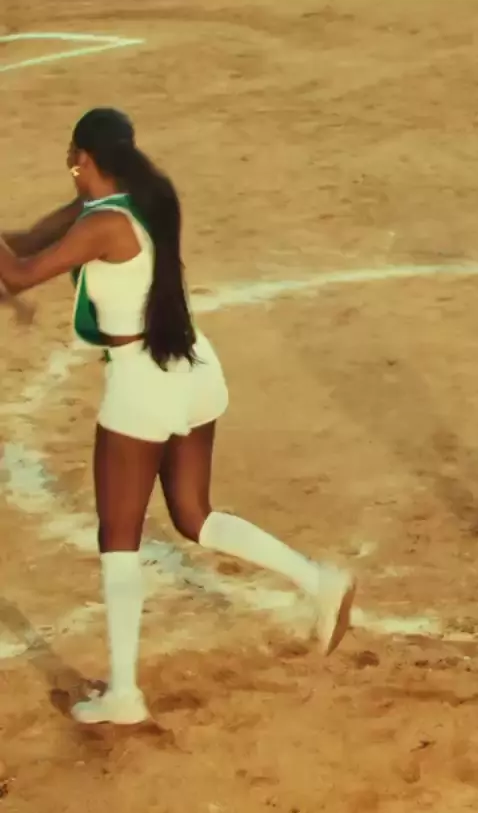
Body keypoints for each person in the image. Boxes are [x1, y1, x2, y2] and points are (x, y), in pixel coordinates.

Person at [0, 108, 356, 726]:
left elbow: (21, 273)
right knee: (194, 514)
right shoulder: (131, 201)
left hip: (142, 382)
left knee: (118, 538)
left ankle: (124, 694)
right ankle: (319, 581)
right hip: (191, 366)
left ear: (82, 158)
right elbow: (25, 244)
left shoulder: (103, 223)